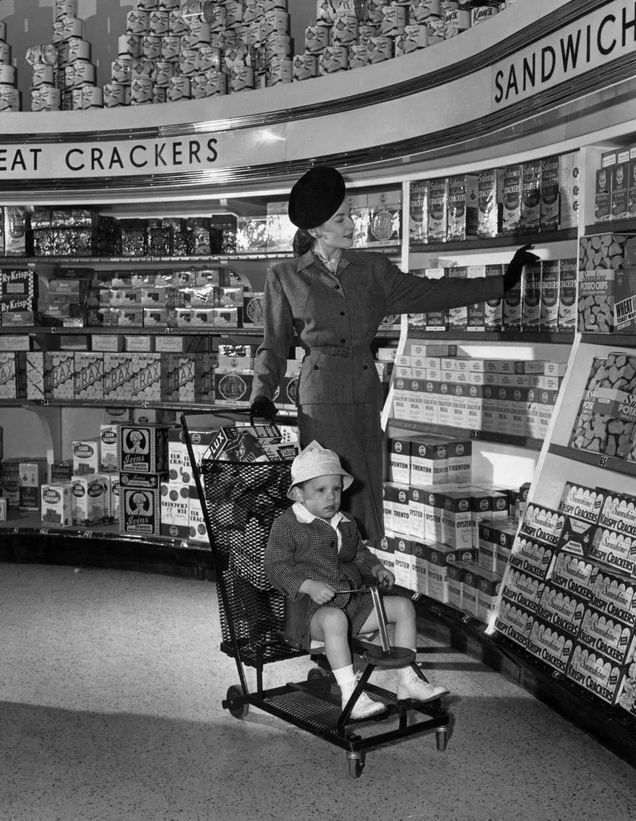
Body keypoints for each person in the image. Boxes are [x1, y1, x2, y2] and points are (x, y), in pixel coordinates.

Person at [250, 165, 538, 541]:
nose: (352, 224)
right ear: (316, 230)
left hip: (367, 393)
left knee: (364, 486)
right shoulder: (284, 275)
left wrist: (503, 281)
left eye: (350, 214)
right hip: (320, 401)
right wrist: (261, 394)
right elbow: (273, 342)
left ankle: (364, 578)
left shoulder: (373, 270)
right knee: (325, 492)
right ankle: (323, 580)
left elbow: (431, 292)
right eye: (341, 218)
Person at [264, 441, 449, 720]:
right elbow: (276, 567)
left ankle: (407, 680)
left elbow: (358, 554)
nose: (331, 498)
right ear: (299, 494)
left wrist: (375, 568)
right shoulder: (287, 525)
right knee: (335, 620)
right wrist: (308, 585)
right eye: (321, 490)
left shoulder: (345, 522)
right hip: (311, 615)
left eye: (336, 489)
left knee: (403, 607)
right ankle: (351, 695)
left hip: (354, 605)